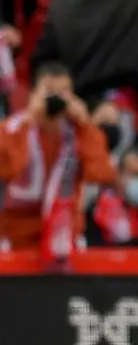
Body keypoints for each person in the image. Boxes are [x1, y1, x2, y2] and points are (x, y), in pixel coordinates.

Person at [0, 63, 116, 255]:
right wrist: (30, 120)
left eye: (64, 92)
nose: (56, 99)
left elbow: (101, 174)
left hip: (64, 239)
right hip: (15, 240)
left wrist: (85, 123)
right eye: (50, 91)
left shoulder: (80, 134)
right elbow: (7, 168)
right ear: (33, 94)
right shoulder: (11, 130)